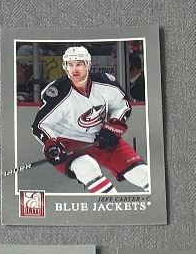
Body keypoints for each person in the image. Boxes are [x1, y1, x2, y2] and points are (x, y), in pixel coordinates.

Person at [31, 44, 149, 195]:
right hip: (68, 143)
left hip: (102, 137)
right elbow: (41, 125)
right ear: (65, 67)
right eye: (70, 65)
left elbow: (122, 105)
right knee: (86, 167)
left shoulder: (106, 83)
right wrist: (51, 145)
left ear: (88, 65)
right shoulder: (58, 92)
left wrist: (112, 128)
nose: (74, 69)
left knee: (141, 173)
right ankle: (111, 204)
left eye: (79, 64)